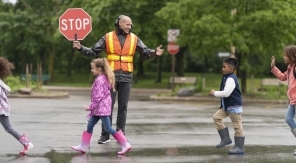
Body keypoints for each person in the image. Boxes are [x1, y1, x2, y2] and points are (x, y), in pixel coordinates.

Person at [73, 15, 164, 144]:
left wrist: (155, 52)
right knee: (107, 106)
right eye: (127, 24)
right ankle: (105, 135)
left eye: (130, 25)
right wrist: (80, 48)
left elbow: (146, 52)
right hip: (110, 77)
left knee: (123, 106)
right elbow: (93, 51)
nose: (130, 27)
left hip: (127, 76)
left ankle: (121, 133)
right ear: (119, 24)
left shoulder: (134, 38)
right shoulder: (108, 37)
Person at [71, 58, 131, 155]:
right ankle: (83, 146)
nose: (91, 70)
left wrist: (90, 107)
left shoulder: (100, 80)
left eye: (93, 68)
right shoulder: (104, 78)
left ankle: (125, 144)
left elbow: (97, 97)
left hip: (101, 108)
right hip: (100, 109)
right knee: (90, 125)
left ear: (99, 69)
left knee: (108, 128)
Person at [209, 57, 245, 154]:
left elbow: (226, 93)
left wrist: (214, 93)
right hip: (226, 107)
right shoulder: (226, 77)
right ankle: (225, 139)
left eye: (224, 67)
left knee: (237, 126)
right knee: (216, 117)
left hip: (233, 106)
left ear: (231, 69)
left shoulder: (231, 79)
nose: (222, 68)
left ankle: (239, 147)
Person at [0, 57, 34, 155]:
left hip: (2, 109)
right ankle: (27, 143)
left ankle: (27, 143)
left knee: (8, 128)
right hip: (3, 108)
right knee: (8, 128)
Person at [270, 45, 296, 155]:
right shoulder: (290, 68)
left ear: (292, 56)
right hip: (293, 100)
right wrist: (273, 67)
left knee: (289, 118)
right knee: (288, 118)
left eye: (286, 55)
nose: (284, 57)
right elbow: (282, 77)